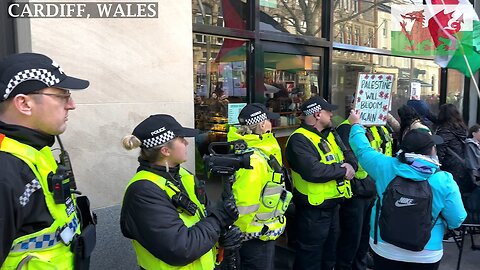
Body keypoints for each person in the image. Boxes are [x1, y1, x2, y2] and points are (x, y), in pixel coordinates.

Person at [0, 53, 96, 269]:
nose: (71, 105)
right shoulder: (6, 170)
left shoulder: (36, 151)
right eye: (62, 95)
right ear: (24, 103)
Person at [348, 111, 466, 270]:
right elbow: (457, 219)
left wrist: (355, 125)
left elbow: (363, 150)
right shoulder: (444, 180)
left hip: (384, 248)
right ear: (430, 151)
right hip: (427, 251)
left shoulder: (385, 167)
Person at [120, 114, 241, 269]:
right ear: (165, 150)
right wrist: (218, 220)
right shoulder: (143, 192)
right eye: (181, 139)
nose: (186, 143)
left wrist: (222, 235)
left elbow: (202, 218)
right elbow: (181, 249)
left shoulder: (183, 175)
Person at [286, 96, 356, 270]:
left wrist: (349, 166)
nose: (332, 114)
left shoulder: (330, 135)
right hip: (312, 212)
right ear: (317, 114)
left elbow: (349, 155)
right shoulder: (299, 139)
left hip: (333, 206)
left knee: (329, 255)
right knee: (309, 257)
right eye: (328, 111)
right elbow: (313, 171)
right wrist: (343, 170)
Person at [227, 103, 292, 270]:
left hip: (259, 232)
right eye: (269, 120)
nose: (271, 123)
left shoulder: (254, 151)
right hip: (254, 236)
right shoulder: (254, 159)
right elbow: (244, 203)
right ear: (263, 125)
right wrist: (238, 234)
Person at [335, 98, 393, 270]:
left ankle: (359, 266)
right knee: (351, 237)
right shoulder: (346, 128)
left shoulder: (375, 127)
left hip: (372, 189)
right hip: (356, 191)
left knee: (364, 235)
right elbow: (350, 157)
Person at [435, 104, 470, 193]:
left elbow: (440, 150)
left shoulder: (445, 130)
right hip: (461, 165)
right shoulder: (461, 128)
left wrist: (436, 165)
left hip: (449, 166)